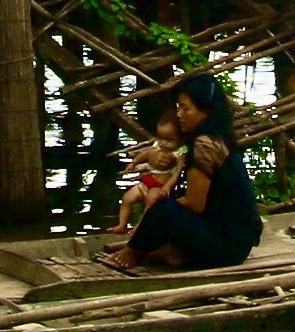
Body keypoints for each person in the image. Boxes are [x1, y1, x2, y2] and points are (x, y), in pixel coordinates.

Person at [110, 73, 260, 272]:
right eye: (178, 107)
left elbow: (194, 204)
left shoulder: (205, 144)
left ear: (205, 111)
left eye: (185, 108)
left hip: (226, 247)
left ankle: (134, 251)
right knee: (167, 202)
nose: (179, 114)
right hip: (233, 242)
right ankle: (170, 252)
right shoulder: (217, 137)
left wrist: (153, 213)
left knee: (163, 207)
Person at [115, 104, 183, 232]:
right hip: (148, 181)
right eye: (161, 138)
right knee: (127, 198)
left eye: (169, 140)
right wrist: (133, 162)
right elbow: (145, 154)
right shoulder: (157, 145)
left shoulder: (180, 152)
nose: (163, 142)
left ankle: (139, 227)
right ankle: (121, 225)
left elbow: (177, 173)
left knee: (150, 203)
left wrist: (167, 186)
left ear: (181, 138)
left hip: (160, 185)